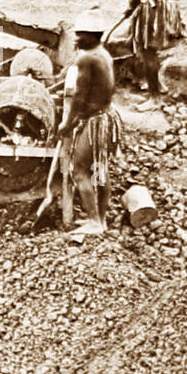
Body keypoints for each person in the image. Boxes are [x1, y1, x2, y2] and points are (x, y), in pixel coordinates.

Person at [57, 14, 122, 235]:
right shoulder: (104, 54)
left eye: (80, 35)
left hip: (94, 121)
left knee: (79, 172)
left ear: (93, 36)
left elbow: (79, 98)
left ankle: (94, 221)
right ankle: (101, 220)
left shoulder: (86, 58)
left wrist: (67, 123)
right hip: (106, 116)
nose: (76, 38)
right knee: (100, 170)